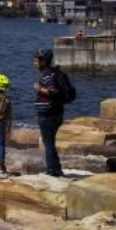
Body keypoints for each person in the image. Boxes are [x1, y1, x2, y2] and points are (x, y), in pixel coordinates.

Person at [32, 48, 74, 177]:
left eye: (36, 60)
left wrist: (39, 89)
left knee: (48, 143)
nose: (34, 63)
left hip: (48, 115)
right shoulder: (52, 73)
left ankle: (52, 171)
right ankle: (56, 169)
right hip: (55, 113)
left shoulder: (49, 75)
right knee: (50, 142)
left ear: (43, 61)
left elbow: (53, 92)